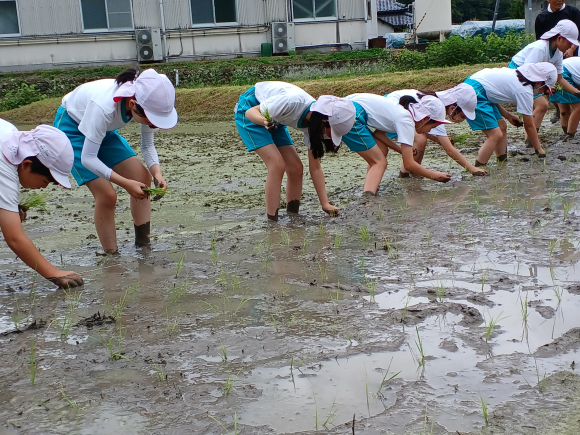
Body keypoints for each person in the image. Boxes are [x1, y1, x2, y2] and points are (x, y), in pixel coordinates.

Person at [53, 69, 178, 254]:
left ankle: (143, 246)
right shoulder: (104, 107)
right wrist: (125, 183)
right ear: (132, 103)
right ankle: (111, 255)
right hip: (73, 128)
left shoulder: (147, 103)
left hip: (103, 131)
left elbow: (147, 146)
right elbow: (88, 158)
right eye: (151, 122)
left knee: (142, 177)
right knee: (107, 194)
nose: (152, 126)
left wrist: (157, 174)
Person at [235, 81, 355, 220]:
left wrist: (325, 204)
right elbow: (251, 112)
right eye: (331, 132)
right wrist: (265, 122)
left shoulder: (314, 127)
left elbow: (315, 168)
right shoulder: (292, 101)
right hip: (251, 110)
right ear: (324, 121)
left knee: (296, 167)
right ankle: (272, 223)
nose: (328, 137)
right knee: (277, 164)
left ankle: (293, 216)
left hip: (275, 118)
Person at [0, 118, 83, 289]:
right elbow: (14, 238)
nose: (44, 187)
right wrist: (54, 274)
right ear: (27, 164)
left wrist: (10, 207)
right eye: (46, 180)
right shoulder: (4, 161)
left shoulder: (13, 138)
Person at [342, 93, 452, 186]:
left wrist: (401, 151)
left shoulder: (402, 113)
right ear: (425, 119)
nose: (428, 132)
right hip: (351, 113)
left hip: (346, 105)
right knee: (379, 162)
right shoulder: (406, 120)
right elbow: (409, 164)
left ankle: (371, 187)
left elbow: (379, 134)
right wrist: (434, 175)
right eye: (432, 127)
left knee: (381, 150)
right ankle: (369, 197)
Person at [463, 62, 558, 166]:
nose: (542, 93)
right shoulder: (524, 91)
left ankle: (502, 162)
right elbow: (529, 125)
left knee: (502, 126)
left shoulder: (517, 76)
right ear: (539, 83)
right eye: (544, 89)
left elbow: (492, 95)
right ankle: (479, 168)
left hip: (479, 88)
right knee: (495, 134)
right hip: (474, 93)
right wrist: (538, 148)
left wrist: (508, 116)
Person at [383, 84, 488, 177]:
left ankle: (413, 171)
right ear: (452, 108)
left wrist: (436, 138)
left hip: (392, 106)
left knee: (421, 137)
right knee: (420, 139)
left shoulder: (434, 101)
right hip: (390, 109)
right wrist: (472, 169)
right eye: (463, 116)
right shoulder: (436, 109)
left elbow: (421, 127)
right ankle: (406, 173)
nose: (462, 120)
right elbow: (450, 150)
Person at [509, 20, 580, 144]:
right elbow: (527, 72)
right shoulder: (540, 48)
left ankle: (530, 140)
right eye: (569, 43)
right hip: (517, 73)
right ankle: (530, 140)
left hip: (531, 77)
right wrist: (544, 88)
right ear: (559, 38)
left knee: (540, 105)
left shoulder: (557, 53)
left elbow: (560, 78)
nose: (570, 47)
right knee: (541, 104)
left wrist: (577, 93)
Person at [549, 56, 580, 140]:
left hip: (557, 71)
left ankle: (567, 133)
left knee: (564, 108)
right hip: (564, 74)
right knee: (578, 107)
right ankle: (570, 135)